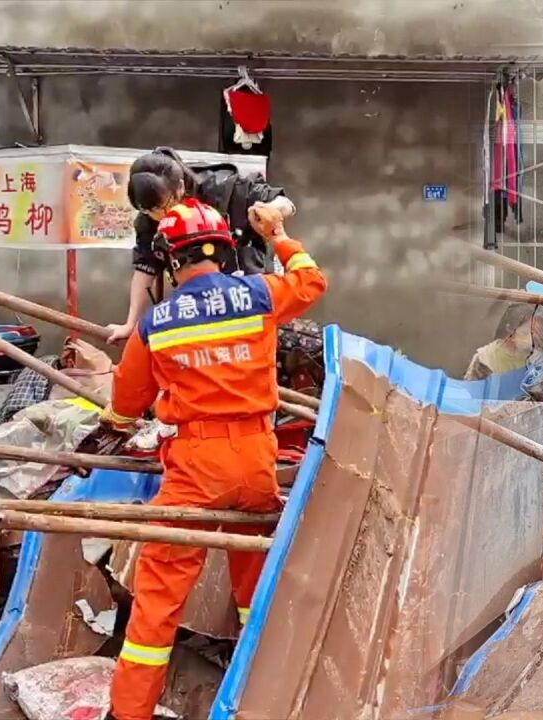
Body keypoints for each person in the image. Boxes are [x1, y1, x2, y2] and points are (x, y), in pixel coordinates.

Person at [100, 198, 326, 720]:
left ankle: (129, 712)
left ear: (173, 262)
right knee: (254, 584)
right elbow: (312, 280)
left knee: (159, 598)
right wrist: (279, 234)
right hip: (256, 459)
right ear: (225, 253)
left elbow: (127, 404)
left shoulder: (158, 322)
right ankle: (262, 694)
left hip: (196, 466)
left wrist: (114, 425)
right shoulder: (259, 294)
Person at [106, 147, 298, 344]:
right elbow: (145, 267)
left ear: (180, 187)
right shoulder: (150, 217)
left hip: (248, 299)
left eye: (160, 208)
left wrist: (268, 210)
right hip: (201, 310)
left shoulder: (224, 189)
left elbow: (285, 203)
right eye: (147, 211)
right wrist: (130, 324)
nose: (158, 217)